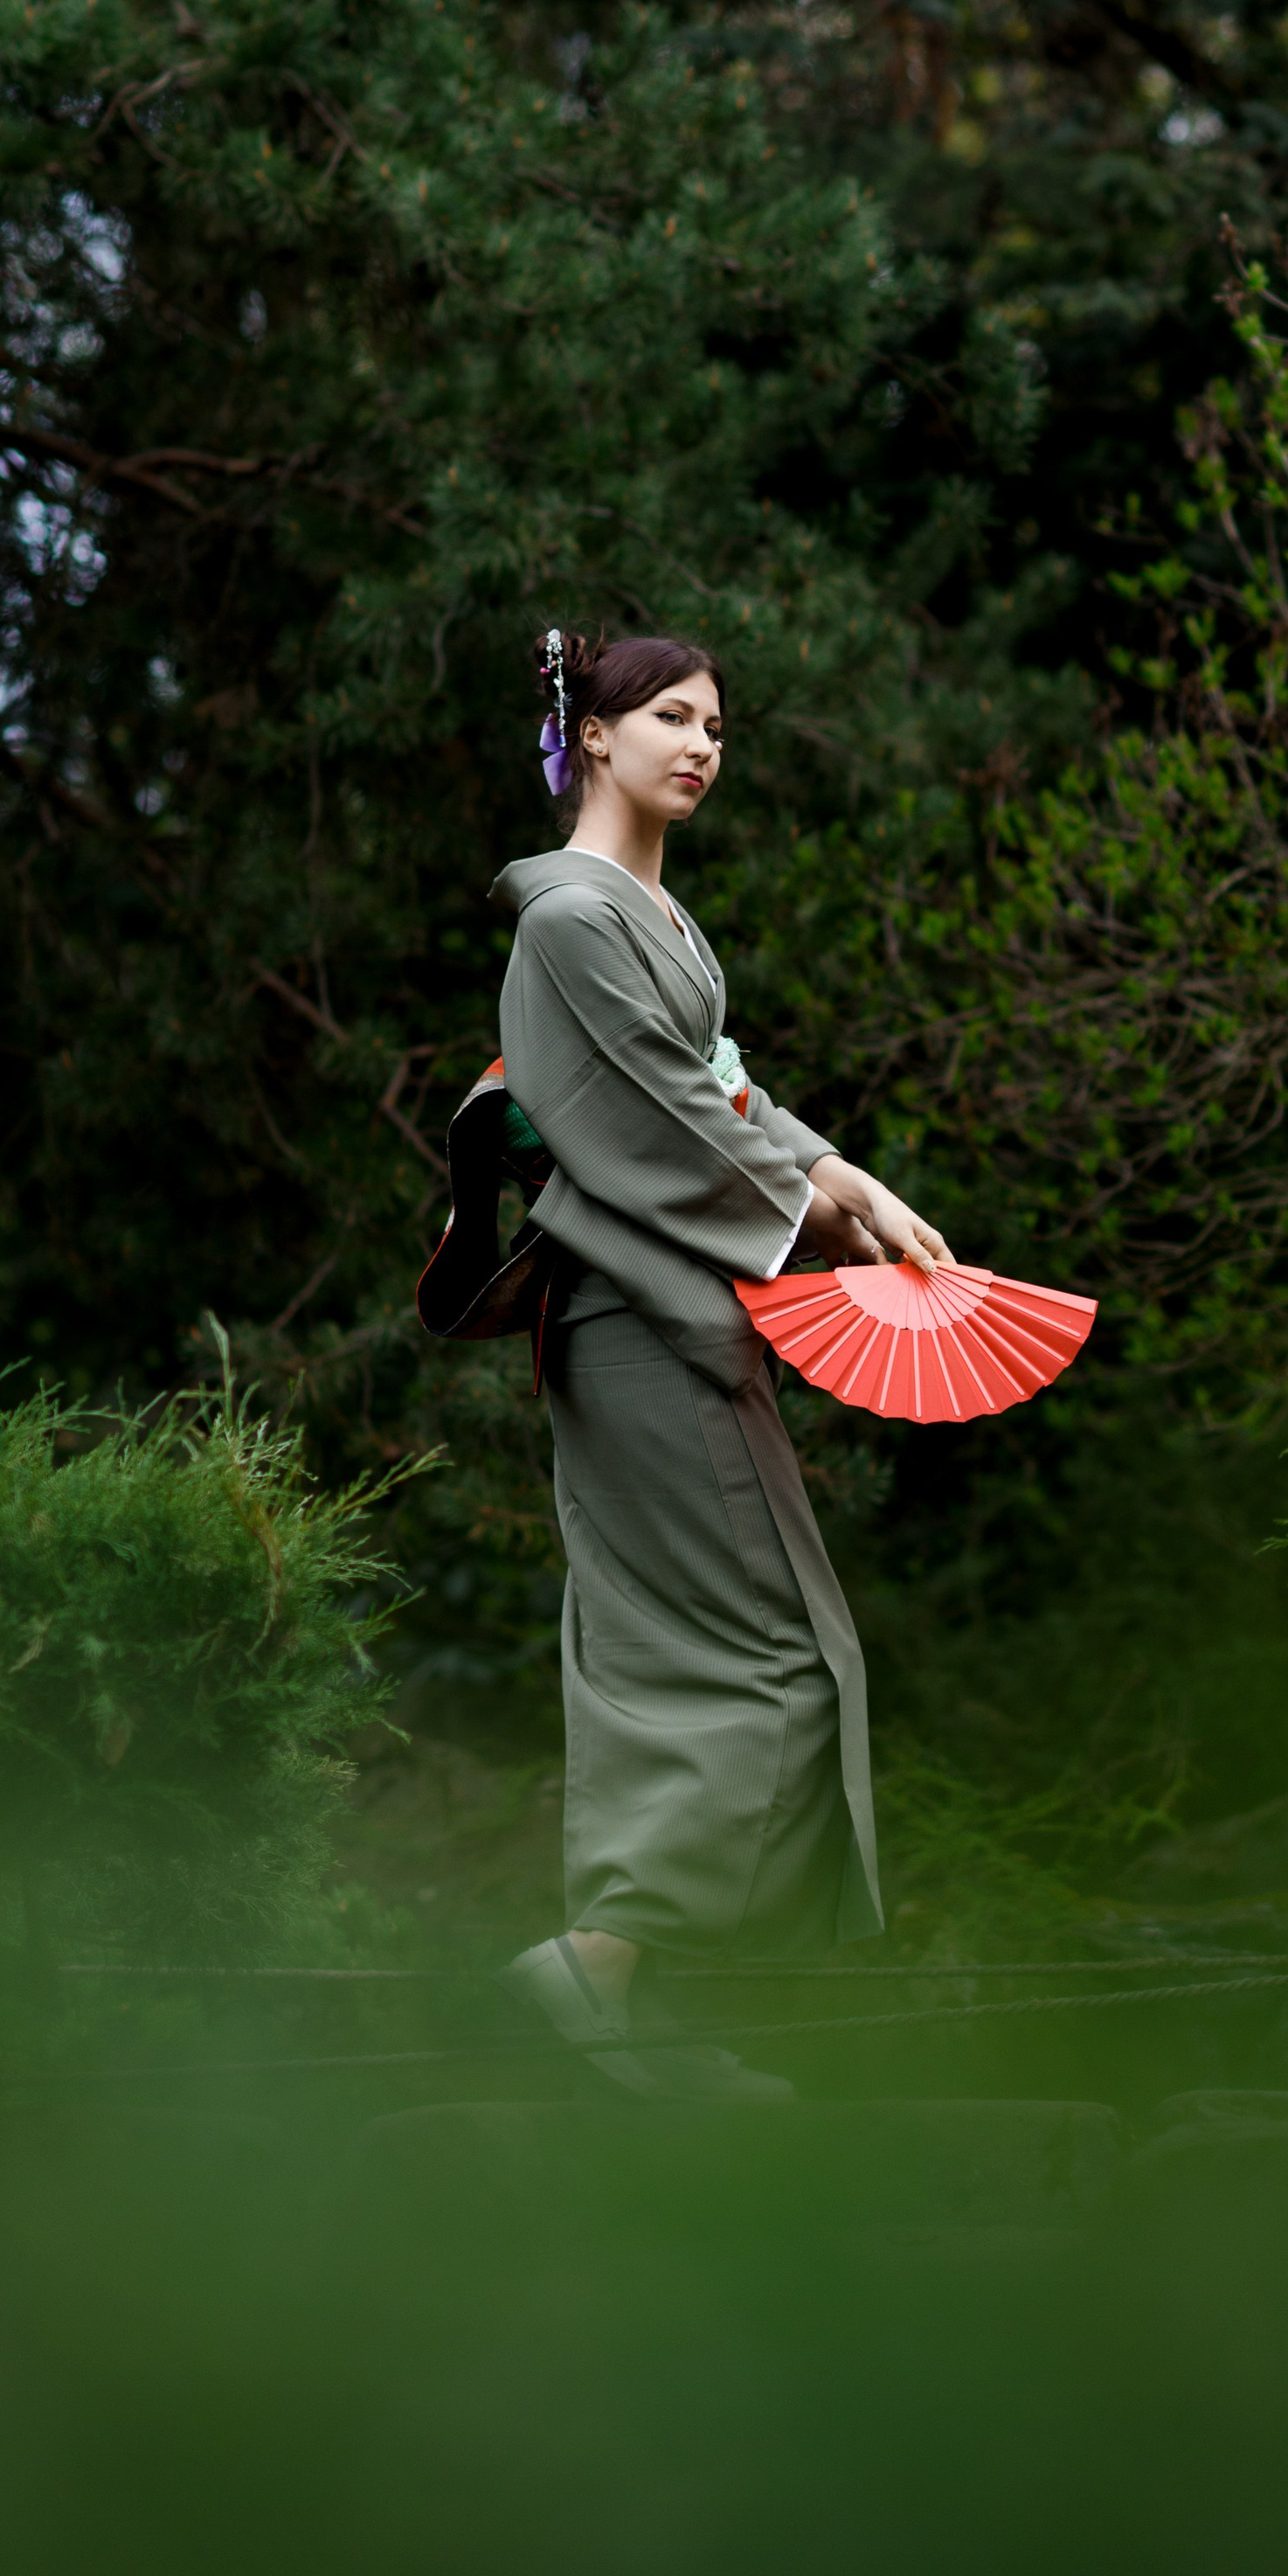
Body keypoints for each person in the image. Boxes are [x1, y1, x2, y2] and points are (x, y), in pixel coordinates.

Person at [495, 628, 951, 2100]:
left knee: (721, 1649)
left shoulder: (658, 919)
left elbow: (727, 1090)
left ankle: (620, 1989)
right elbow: (673, 1121)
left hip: (681, 1311)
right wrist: (826, 1199)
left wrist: (857, 1186)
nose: (699, 743)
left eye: (714, 723)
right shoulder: (570, 917)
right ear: (597, 739)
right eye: (668, 717)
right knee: (765, 1660)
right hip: (641, 1318)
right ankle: (593, 1969)